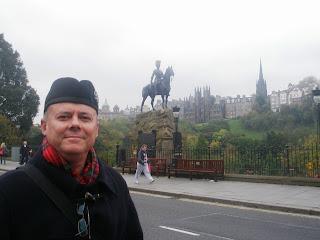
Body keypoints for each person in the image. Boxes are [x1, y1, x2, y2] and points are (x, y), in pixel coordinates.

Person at [0, 77, 143, 239]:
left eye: (84, 118)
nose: (75, 124)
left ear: (95, 129)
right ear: (44, 126)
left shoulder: (116, 184)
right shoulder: (8, 191)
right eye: (64, 117)